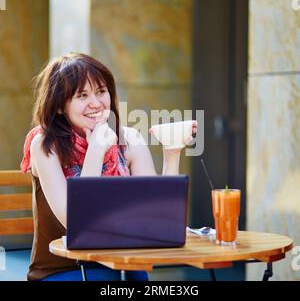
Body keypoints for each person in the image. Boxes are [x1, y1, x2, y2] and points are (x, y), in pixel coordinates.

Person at [20, 53, 197, 281]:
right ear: (60, 106)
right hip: (64, 271)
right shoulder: (45, 146)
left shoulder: (129, 139)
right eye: (82, 95)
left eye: (101, 91)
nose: (96, 103)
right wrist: (95, 151)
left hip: (124, 265)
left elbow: (157, 218)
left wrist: (172, 152)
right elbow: (77, 223)